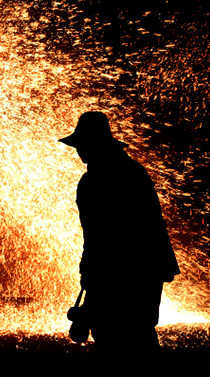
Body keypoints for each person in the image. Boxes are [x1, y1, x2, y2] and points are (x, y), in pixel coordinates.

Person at [59, 111, 180, 354]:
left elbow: (97, 235)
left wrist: (89, 271)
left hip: (116, 269)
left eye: (82, 144)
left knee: (112, 335)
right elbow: (152, 224)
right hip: (148, 267)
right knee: (140, 332)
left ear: (94, 144)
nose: (78, 151)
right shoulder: (135, 171)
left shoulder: (93, 182)